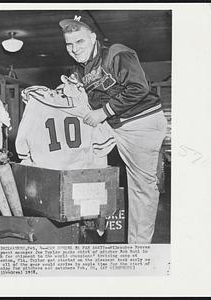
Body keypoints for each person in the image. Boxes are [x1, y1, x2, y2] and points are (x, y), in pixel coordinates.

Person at [59, 15, 168, 244]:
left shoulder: (116, 53)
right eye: (69, 44)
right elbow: (88, 103)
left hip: (141, 123)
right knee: (85, 162)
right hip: (115, 125)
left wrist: (103, 112)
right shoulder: (80, 67)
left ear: (93, 37)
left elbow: (138, 87)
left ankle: (139, 252)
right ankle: (96, 227)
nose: (74, 49)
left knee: (141, 189)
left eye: (80, 42)